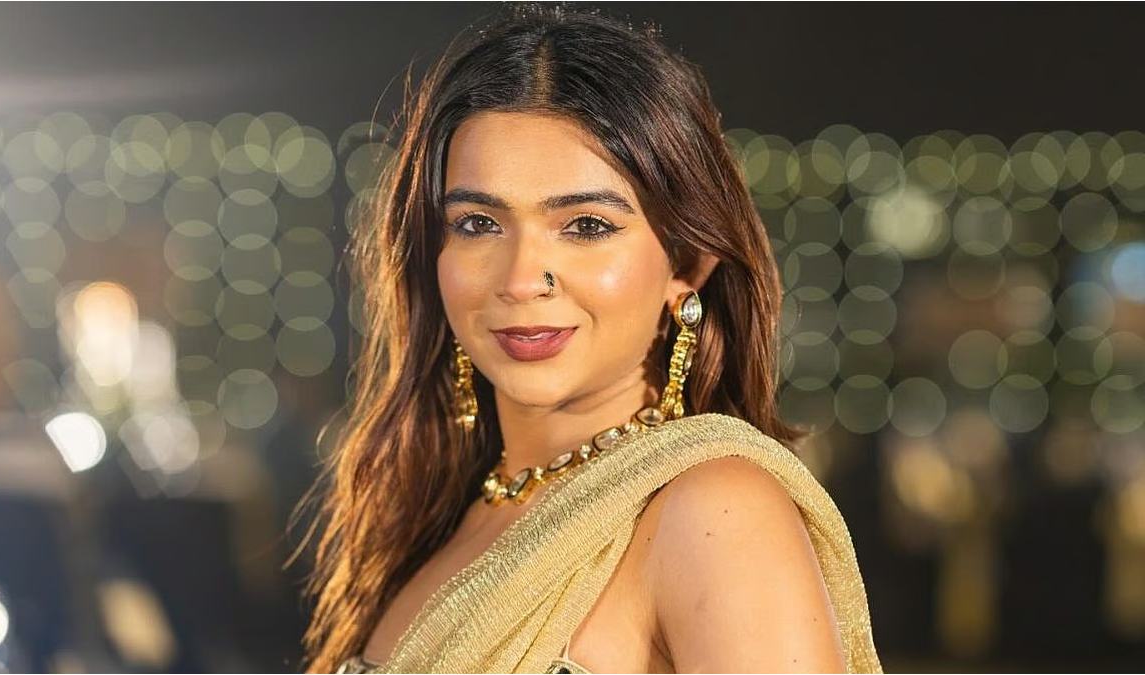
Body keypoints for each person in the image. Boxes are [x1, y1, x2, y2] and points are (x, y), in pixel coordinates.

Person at [292, 4, 882, 673]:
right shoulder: (441, 515)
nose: (522, 280)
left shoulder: (713, 512)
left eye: (587, 226)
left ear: (686, 263)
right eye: (479, 223)